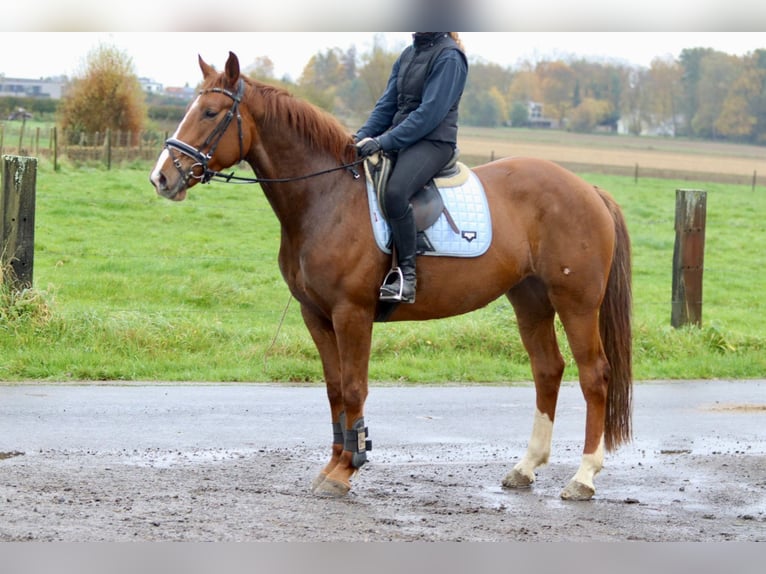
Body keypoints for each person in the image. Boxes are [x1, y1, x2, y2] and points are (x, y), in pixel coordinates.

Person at [354, 32, 468, 304]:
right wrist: (359, 138)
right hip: (403, 138)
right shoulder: (408, 54)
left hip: (434, 141)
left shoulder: (450, 56)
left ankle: (406, 276)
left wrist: (384, 141)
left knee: (396, 192)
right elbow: (387, 105)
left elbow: (430, 114)